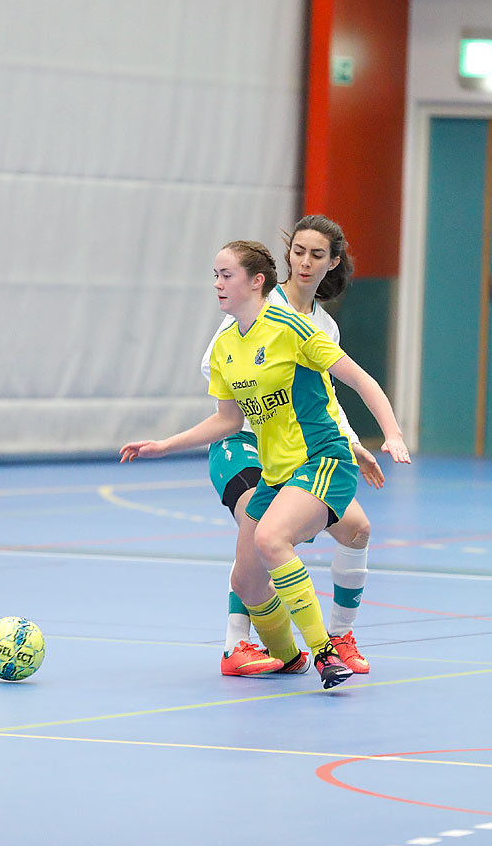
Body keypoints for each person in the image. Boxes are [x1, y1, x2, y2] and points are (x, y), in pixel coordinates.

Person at [121, 239, 410, 690]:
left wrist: (390, 433)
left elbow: (359, 380)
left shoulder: (294, 329)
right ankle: (287, 655)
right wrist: (165, 444)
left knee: (273, 537)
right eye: (215, 275)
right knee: (248, 580)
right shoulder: (224, 349)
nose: (217, 283)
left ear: (257, 282)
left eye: (226, 275)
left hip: (321, 459)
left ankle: (328, 652)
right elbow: (228, 419)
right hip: (277, 472)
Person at [198, 216, 381, 678]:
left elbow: (329, 395)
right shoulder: (258, 305)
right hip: (243, 442)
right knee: (256, 529)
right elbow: (219, 376)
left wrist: (353, 442)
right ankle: (237, 642)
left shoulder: (321, 326)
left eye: (316, 255)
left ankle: (336, 636)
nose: (304, 262)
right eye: (298, 251)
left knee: (356, 528)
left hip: (296, 449)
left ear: (331, 263)